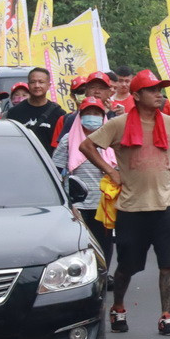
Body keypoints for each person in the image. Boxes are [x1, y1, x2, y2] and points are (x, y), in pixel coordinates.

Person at [80, 70, 170, 336]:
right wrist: (111, 171)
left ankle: (166, 317)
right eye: (153, 90)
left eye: (160, 90)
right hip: (131, 208)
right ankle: (118, 308)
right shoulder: (120, 123)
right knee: (128, 266)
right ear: (137, 95)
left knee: (167, 265)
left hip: (166, 206)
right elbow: (87, 146)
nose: (159, 95)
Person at [52, 96, 116, 265]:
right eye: (88, 113)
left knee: (104, 242)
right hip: (77, 203)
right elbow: (57, 171)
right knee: (79, 243)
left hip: (104, 202)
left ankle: (103, 273)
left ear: (103, 117)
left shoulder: (112, 140)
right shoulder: (68, 140)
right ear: (80, 116)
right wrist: (65, 202)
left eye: (96, 113)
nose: (92, 116)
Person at [6, 67, 66, 150]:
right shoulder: (14, 112)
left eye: (41, 82)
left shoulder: (59, 113)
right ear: (28, 85)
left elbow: (62, 145)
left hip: (48, 161)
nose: (37, 85)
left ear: (49, 85)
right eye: (33, 82)